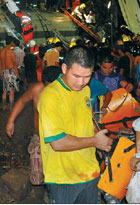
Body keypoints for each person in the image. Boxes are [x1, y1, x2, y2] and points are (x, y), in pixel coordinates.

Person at [37, 45, 113, 203]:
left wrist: (98, 138)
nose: (81, 82)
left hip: (89, 172)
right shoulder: (50, 96)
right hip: (63, 178)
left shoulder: (85, 90)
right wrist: (94, 141)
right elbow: (57, 143)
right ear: (64, 68)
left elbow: (86, 121)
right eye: (76, 75)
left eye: (87, 76)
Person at [6, 66, 61, 185]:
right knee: (37, 179)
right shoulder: (37, 90)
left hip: (60, 139)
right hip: (40, 138)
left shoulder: (67, 93)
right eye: (48, 86)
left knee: (57, 175)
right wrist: (11, 121)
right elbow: (22, 101)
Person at [0, 36, 20, 110]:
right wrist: (17, 74)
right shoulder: (11, 51)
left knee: (4, 90)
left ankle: (4, 106)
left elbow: (0, 63)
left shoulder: (2, 51)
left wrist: (1, 73)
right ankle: (11, 106)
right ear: (11, 42)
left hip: (4, 71)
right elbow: (14, 64)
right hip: (11, 72)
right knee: (11, 91)